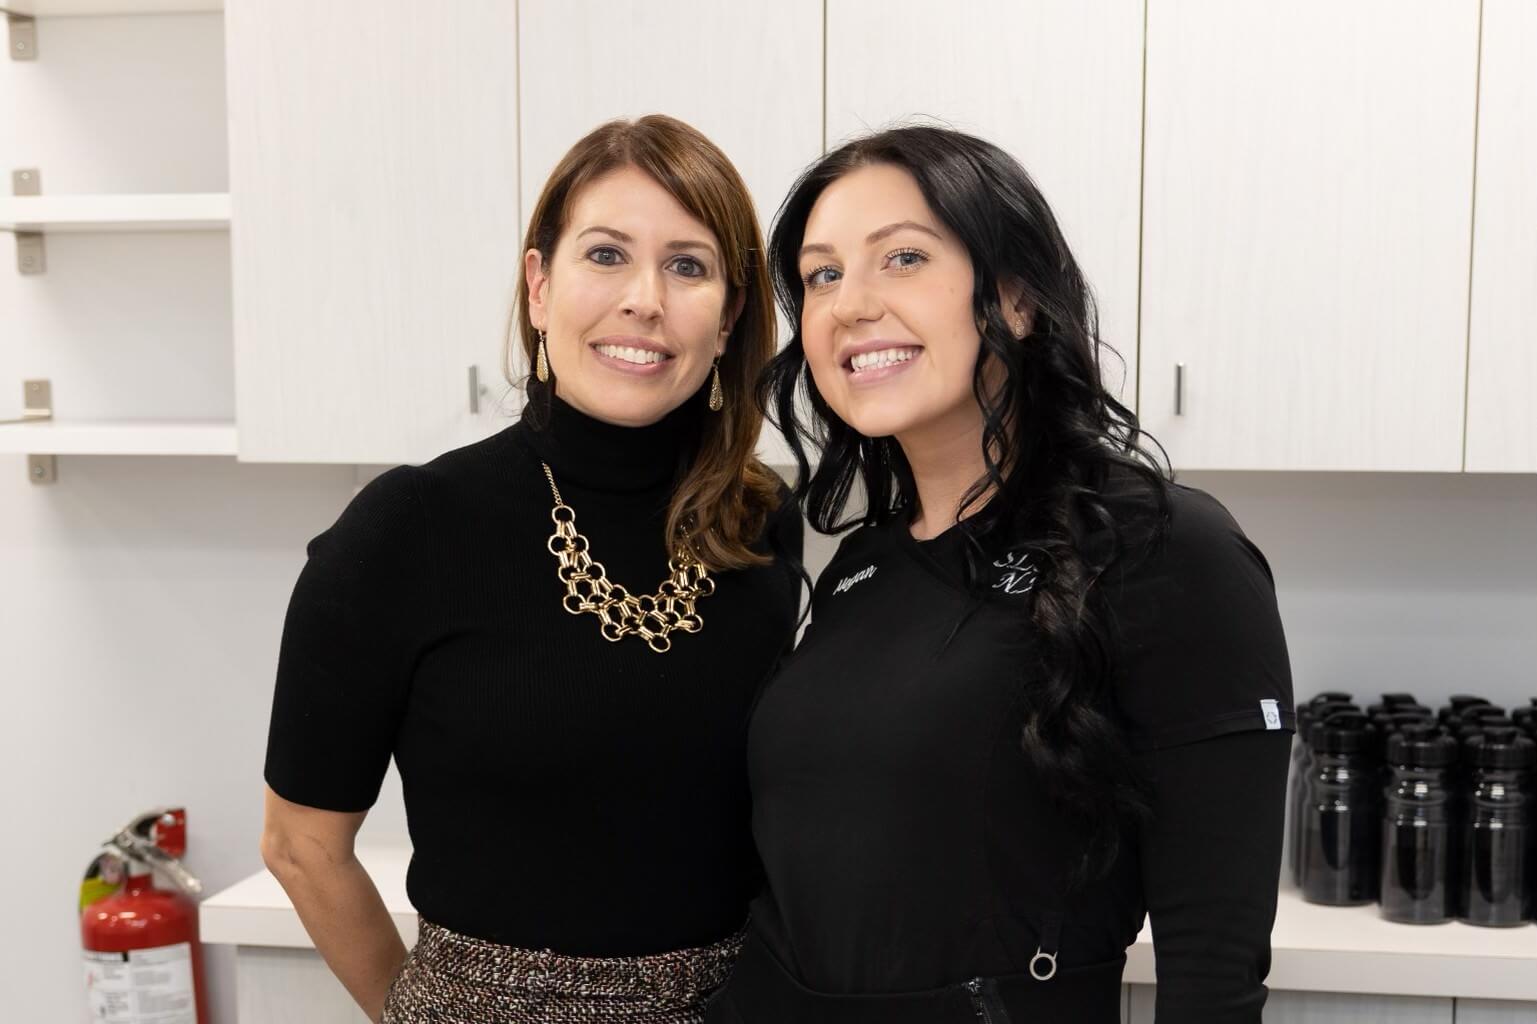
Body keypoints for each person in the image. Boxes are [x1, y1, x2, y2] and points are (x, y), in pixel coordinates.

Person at [706, 125, 1294, 1023]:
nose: (849, 305)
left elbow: (1213, 970)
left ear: (1017, 297)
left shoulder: (1162, 547)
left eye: (902, 258)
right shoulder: (862, 565)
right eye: (821, 275)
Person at [260, 114, 803, 1024]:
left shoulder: (759, 521)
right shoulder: (408, 527)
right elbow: (300, 845)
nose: (645, 299)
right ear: (540, 286)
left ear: (729, 318)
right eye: (606, 255)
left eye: (687, 265)